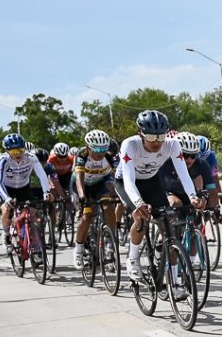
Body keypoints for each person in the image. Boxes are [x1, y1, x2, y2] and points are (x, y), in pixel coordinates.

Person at [119, 110, 203, 280]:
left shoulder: (172, 145)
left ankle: (173, 278)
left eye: (161, 137)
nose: (157, 142)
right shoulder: (130, 144)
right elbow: (128, 180)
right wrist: (138, 203)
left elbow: (184, 174)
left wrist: (193, 196)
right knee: (141, 217)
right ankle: (133, 258)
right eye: (151, 137)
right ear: (140, 133)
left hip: (151, 181)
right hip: (126, 182)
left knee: (168, 225)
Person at [0, 133, 55, 244]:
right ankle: (6, 234)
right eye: (13, 151)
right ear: (7, 151)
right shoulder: (2, 160)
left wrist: (46, 192)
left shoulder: (31, 157)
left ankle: (35, 245)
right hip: (6, 189)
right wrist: (6, 198)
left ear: (24, 148)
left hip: (23, 187)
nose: (18, 154)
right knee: (6, 210)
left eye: (20, 150)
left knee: (33, 214)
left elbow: (42, 175)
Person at [71, 129, 120, 268]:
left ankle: (110, 240)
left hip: (99, 184)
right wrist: (82, 196)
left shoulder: (110, 156)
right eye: (97, 149)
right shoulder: (82, 155)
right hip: (82, 185)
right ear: (88, 147)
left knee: (108, 206)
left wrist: (122, 193)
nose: (100, 153)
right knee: (87, 216)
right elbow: (79, 178)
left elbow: (119, 176)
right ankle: (78, 250)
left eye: (104, 149)